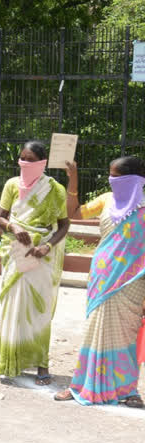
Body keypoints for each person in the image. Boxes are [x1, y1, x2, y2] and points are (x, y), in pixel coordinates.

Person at [54, 156, 145, 407]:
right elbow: (74, 213)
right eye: (110, 175)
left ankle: (128, 390)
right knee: (94, 330)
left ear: (132, 180)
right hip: (103, 276)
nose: (111, 180)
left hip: (134, 282)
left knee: (126, 334)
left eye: (115, 176)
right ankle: (81, 385)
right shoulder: (106, 199)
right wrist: (73, 180)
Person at [0, 141, 69, 385]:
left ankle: (42, 363)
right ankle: (4, 360)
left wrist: (47, 246)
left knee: (39, 309)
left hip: (42, 254)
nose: (25, 163)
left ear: (42, 162)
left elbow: (64, 224)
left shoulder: (55, 190)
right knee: (12, 307)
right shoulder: (12, 184)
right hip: (17, 250)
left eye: (31, 159)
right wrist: (13, 226)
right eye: (22, 158)